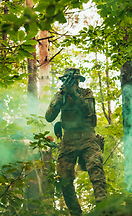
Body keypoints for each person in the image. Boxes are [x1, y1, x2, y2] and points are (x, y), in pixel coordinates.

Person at [45, 68, 107, 216]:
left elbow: (88, 111)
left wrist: (74, 93)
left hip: (88, 138)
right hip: (68, 140)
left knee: (96, 170)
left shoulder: (86, 93)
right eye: (69, 80)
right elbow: (49, 117)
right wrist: (59, 99)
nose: (73, 83)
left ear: (79, 81)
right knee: (63, 178)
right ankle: (75, 212)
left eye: (75, 80)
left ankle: (104, 209)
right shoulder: (60, 95)